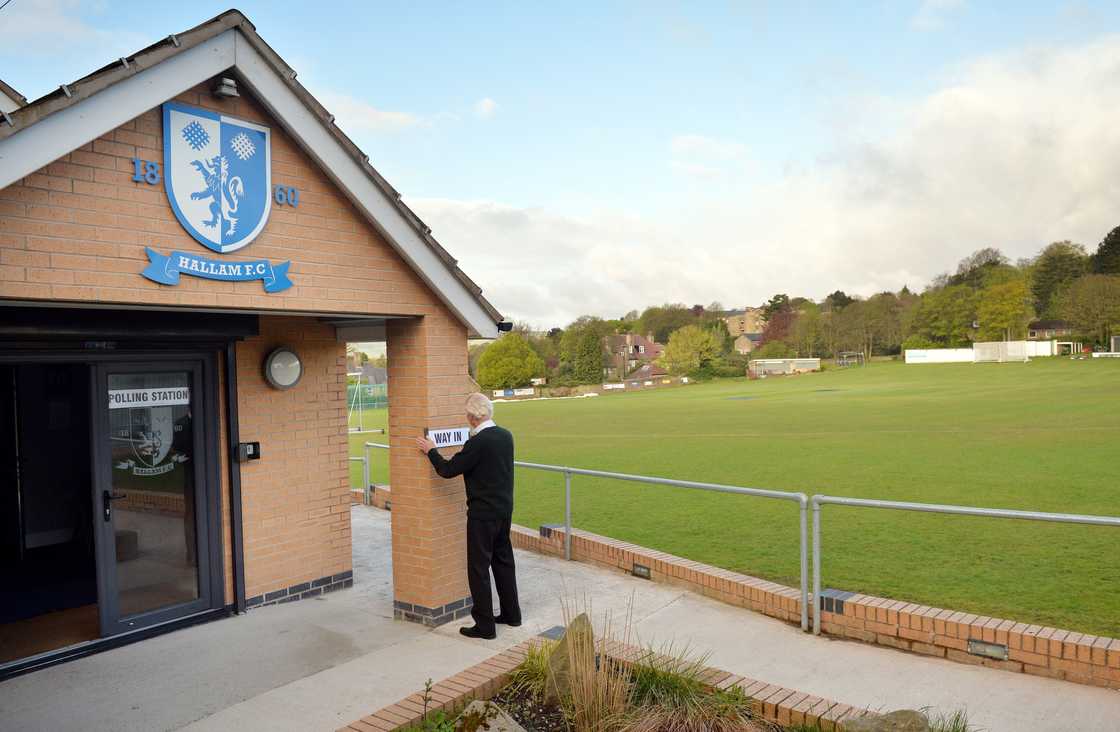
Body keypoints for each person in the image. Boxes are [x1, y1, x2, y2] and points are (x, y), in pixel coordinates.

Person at [414, 393, 521, 639]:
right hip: (504, 511)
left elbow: (447, 470)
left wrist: (431, 450)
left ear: (471, 418)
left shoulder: (478, 442)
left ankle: (485, 626)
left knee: (478, 569)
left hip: (482, 515)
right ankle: (511, 615)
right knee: (504, 563)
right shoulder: (506, 436)